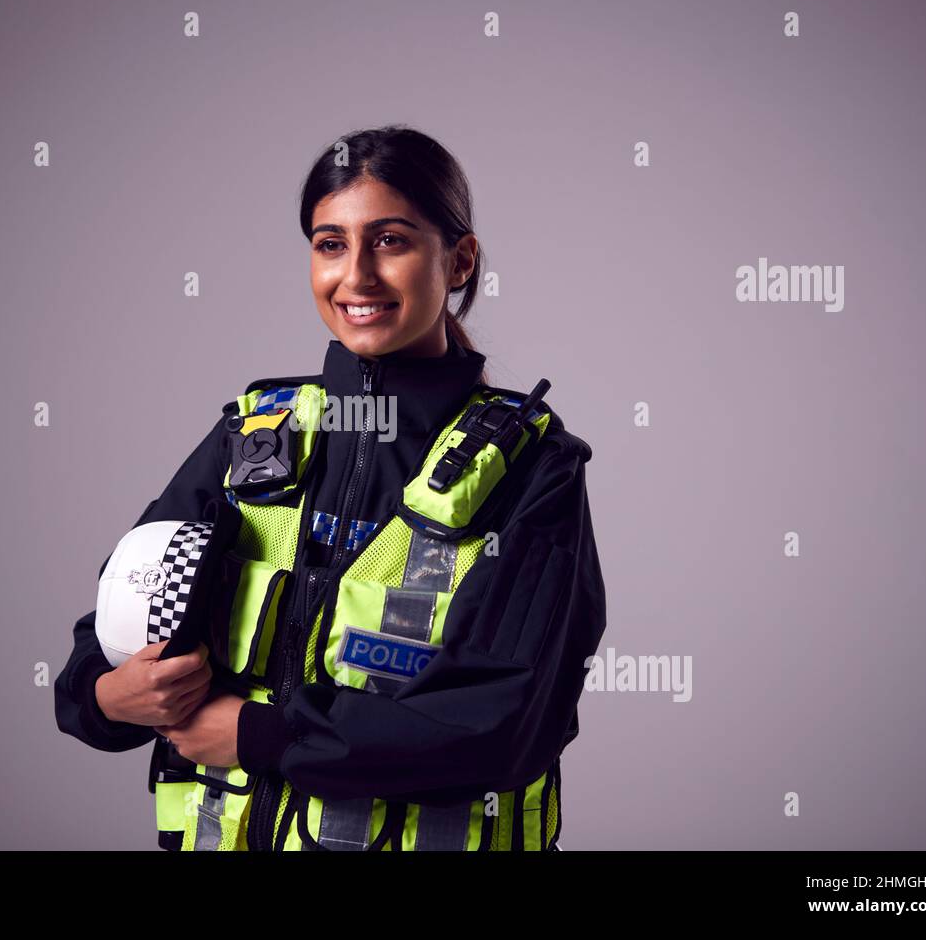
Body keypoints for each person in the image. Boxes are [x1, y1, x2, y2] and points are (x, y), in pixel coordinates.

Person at [54, 124, 607, 851]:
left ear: (461, 259)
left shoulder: (533, 468)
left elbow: (505, 722)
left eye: (391, 241)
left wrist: (265, 735)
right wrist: (107, 697)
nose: (357, 278)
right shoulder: (254, 440)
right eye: (330, 244)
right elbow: (105, 644)